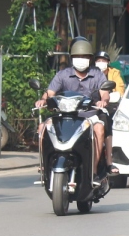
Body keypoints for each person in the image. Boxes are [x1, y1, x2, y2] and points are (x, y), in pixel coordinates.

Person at [35, 37, 113, 183]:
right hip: (65, 117)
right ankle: (44, 165)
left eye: (84, 57)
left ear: (90, 58)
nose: (81, 59)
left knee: (99, 129)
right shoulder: (63, 75)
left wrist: (103, 101)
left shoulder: (97, 74)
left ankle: (94, 171)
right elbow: (50, 93)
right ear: (72, 58)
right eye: (78, 56)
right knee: (42, 127)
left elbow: (104, 92)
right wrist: (43, 100)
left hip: (89, 116)